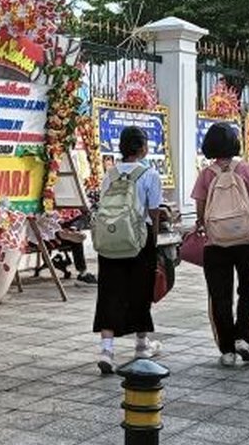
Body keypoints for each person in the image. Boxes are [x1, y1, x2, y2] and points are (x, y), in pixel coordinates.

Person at [190, 122, 249, 367]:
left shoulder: (206, 174)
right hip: (245, 240)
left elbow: (201, 210)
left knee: (219, 295)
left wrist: (205, 221)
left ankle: (226, 349)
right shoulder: (247, 169)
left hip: (215, 244)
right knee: (248, 289)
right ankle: (244, 338)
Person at [92, 126, 163, 374]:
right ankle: (142, 345)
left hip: (111, 241)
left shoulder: (109, 175)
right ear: (143, 148)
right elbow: (153, 211)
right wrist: (153, 239)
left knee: (109, 292)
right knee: (140, 291)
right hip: (138, 242)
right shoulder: (150, 175)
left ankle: (107, 349)